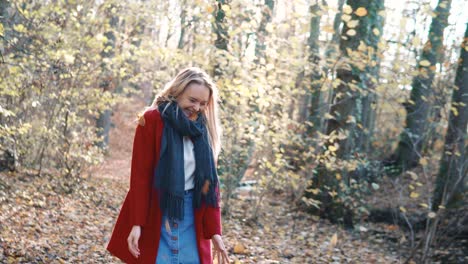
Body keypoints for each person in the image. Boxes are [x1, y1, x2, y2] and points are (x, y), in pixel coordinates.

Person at [107, 67, 230, 264]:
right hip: (157, 210)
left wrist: (215, 232)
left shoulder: (204, 128)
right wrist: (136, 223)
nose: (197, 108)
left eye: (203, 103)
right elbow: (140, 177)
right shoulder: (152, 120)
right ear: (177, 92)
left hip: (193, 213)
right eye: (192, 100)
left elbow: (210, 185)